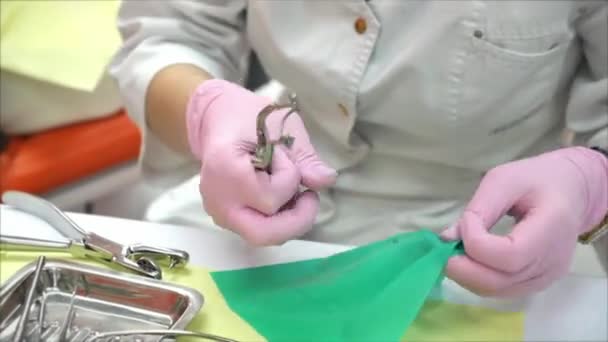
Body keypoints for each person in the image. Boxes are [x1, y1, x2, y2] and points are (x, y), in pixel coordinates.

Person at [109, 1, 608, 298]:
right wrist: (206, 111)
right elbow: (168, 31)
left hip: (487, 241)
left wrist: (592, 181)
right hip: (262, 193)